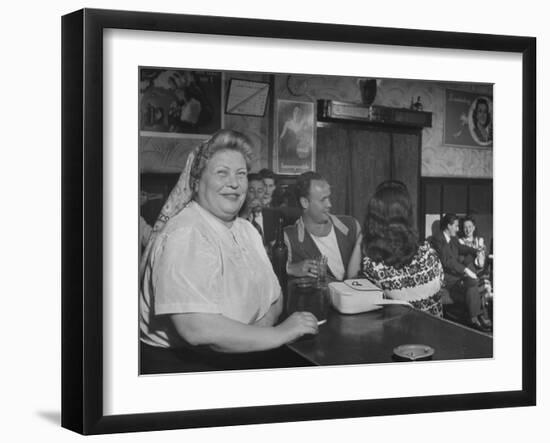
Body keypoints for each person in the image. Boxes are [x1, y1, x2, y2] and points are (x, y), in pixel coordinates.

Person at [139, 130, 318, 373]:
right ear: (196, 181)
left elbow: (275, 297)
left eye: (241, 174)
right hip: (185, 370)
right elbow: (197, 329)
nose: (234, 183)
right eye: (222, 173)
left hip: (242, 356)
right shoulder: (186, 233)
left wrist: (259, 332)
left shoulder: (246, 230)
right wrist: (278, 333)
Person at [347, 181, 444, 317]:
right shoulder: (429, 253)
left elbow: (350, 285)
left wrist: (362, 235)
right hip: (437, 333)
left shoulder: (374, 267)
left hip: (402, 336)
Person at [284, 171, 361, 281]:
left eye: (329, 198)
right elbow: (268, 271)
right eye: (323, 200)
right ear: (305, 202)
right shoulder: (289, 238)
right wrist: (289, 268)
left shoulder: (352, 226)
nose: (329, 204)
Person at [431, 213, 492, 331]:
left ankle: (476, 317)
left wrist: (476, 251)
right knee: (473, 281)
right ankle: (476, 318)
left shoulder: (453, 238)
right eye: (456, 226)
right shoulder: (438, 239)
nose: (458, 229)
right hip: (446, 277)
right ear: (449, 226)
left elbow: (462, 248)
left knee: (473, 282)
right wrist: (466, 270)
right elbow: (447, 261)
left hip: (456, 274)